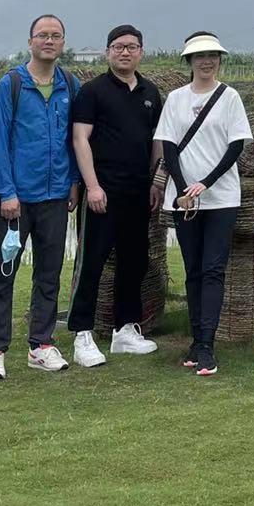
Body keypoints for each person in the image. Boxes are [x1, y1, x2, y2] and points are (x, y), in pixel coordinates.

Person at [0, 13, 82, 378]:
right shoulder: (11, 84)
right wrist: (6, 192)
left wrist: (74, 181)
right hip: (16, 201)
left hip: (55, 197)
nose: (49, 41)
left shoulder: (70, 84)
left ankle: (41, 344)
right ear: (30, 42)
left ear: (63, 43)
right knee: (3, 273)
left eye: (56, 35)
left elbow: (75, 139)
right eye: (43, 35)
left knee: (49, 274)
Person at [156, 31, 253, 376]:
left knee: (213, 269)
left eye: (212, 56)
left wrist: (205, 183)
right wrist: (184, 186)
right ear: (190, 61)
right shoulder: (175, 99)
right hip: (185, 199)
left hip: (221, 198)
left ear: (219, 60)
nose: (207, 61)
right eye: (200, 56)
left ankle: (207, 345)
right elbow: (168, 146)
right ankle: (196, 341)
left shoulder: (230, 97)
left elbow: (236, 146)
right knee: (193, 270)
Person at [67, 24, 163, 366]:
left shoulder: (150, 91)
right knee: (91, 263)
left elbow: (156, 140)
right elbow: (80, 139)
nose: (125, 52)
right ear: (108, 51)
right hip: (102, 193)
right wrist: (92, 186)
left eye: (132, 47)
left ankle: (126, 330)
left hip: (138, 193)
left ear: (141, 52)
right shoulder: (92, 91)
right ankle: (82, 334)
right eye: (119, 46)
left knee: (134, 261)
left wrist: (155, 182)